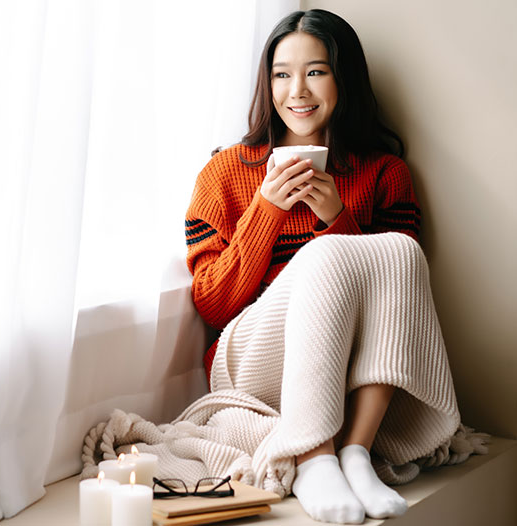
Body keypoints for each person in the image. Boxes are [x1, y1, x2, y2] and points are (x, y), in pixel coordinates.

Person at [185, 9, 469, 524]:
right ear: (266, 83)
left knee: (402, 251)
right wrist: (266, 211)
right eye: (281, 74)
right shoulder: (225, 173)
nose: (298, 90)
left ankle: (353, 453)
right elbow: (212, 303)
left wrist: (337, 217)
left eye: (316, 71)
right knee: (326, 254)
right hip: (248, 359)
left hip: (350, 367)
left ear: (344, 78)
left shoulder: (385, 173)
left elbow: (396, 306)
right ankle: (314, 457)